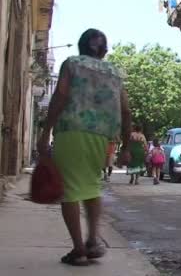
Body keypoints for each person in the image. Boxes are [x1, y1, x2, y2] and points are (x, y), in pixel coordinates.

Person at [37, 28, 132, 266]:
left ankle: (78, 250)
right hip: (101, 136)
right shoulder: (114, 73)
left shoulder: (72, 64)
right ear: (105, 50)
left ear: (81, 46)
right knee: (91, 186)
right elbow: (126, 110)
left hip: (71, 130)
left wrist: (46, 130)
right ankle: (92, 241)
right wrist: (127, 145)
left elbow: (59, 97)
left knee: (69, 189)